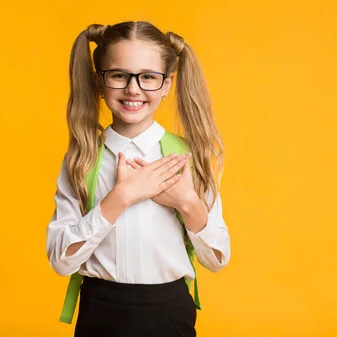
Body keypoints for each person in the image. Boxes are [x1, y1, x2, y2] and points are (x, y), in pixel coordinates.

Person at [45, 21, 231, 337]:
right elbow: (61, 261)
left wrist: (187, 203)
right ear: (99, 82)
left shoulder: (188, 157)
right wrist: (119, 199)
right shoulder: (82, 159)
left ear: (167, 84)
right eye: (119, 75)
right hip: (99, 310)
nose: (133, 88)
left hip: (169, 312)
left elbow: (216, 259)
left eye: (148, 77)